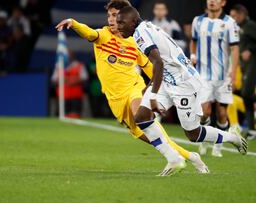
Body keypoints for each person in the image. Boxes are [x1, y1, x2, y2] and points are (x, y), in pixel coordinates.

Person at [56, 0, 208, 176]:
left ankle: (174, 159)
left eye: (115, 16)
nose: (111, 20)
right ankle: (189, 155)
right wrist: (74, 23)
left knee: (140, 115)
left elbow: (150, 69)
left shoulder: (136, 42)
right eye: (109, 16)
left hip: (135, 88)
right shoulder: (104, 35)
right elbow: (89, 33)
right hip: (115, 98)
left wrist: (163, 88)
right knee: (143, 133)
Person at [115, 6, 247, 163]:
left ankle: (232, 138)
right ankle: (173, 160)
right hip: (168, 79)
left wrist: (153, 95)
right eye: (117, 23)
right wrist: (149, 87)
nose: (118, 27)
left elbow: (158, 62)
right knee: (142, 118)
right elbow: (162, 61)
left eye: (121, 23)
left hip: (184, 84)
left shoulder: (140, 34)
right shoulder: (145, 27)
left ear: (133, 22)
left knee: (194, 135)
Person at [190, 0, 240, 157]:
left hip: (223, 76)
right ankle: (205, 139)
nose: (212, 1)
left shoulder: (230, 23)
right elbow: (193, 40)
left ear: (223, 2)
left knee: (222, 113)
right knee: (204, 112)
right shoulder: (198, 21)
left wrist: (233, 71)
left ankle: (218, 145)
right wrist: (192, 55)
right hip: (203, 75)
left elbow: (235, 48)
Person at [230, 4, 256, 140]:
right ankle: (252, 129)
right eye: (231, 16)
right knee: (247, 96)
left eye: (235, 16)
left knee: (246, 93)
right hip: (245, 64)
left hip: (253, 62)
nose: (233, 19)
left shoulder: (250, 25)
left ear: (242, 14)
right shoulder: (239, 29)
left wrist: (250, 49)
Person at [51, 51, 89, 118]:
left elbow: (85, 77)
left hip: (76, 96)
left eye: (69, 56)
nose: (68, 57)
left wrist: (74, 80)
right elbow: (54, 80)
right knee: (62, 115)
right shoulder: (59, 66)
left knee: (75, 114)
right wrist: (64, 80)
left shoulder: (79, 65)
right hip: (62, 96)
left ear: (72, 56)